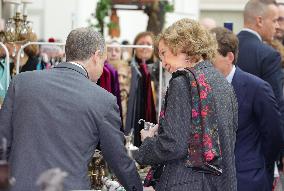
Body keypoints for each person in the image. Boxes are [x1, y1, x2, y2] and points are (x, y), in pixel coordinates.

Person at [0, 27, 143, 191]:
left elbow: (3, 141)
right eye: (104, 62)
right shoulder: (104, 100)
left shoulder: (21, 82)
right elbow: (118, 158)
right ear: (96, 56)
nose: (103, 69)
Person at [134, 18, 238, 191]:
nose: (163, 62)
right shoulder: (222, 82)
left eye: (164, 53)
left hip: (187, 183)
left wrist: (148, 142)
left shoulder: (183, 82)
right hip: (220, 184)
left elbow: (173, 145)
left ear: (183, 47)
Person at [211, 26, 283, 191]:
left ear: (229, 57)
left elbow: (274, 135)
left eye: (211, 58)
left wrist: (258, 166)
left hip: (247, 179)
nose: (205, 64)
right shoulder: (201, 87)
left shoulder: (256, 88)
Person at [236, 0, 284, 186]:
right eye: (275, 21)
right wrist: (275, 154)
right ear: (259, 20)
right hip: (256, 155)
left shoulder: (225, 49)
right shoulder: (268, 55)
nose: (278, 26)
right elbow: (276, 109)